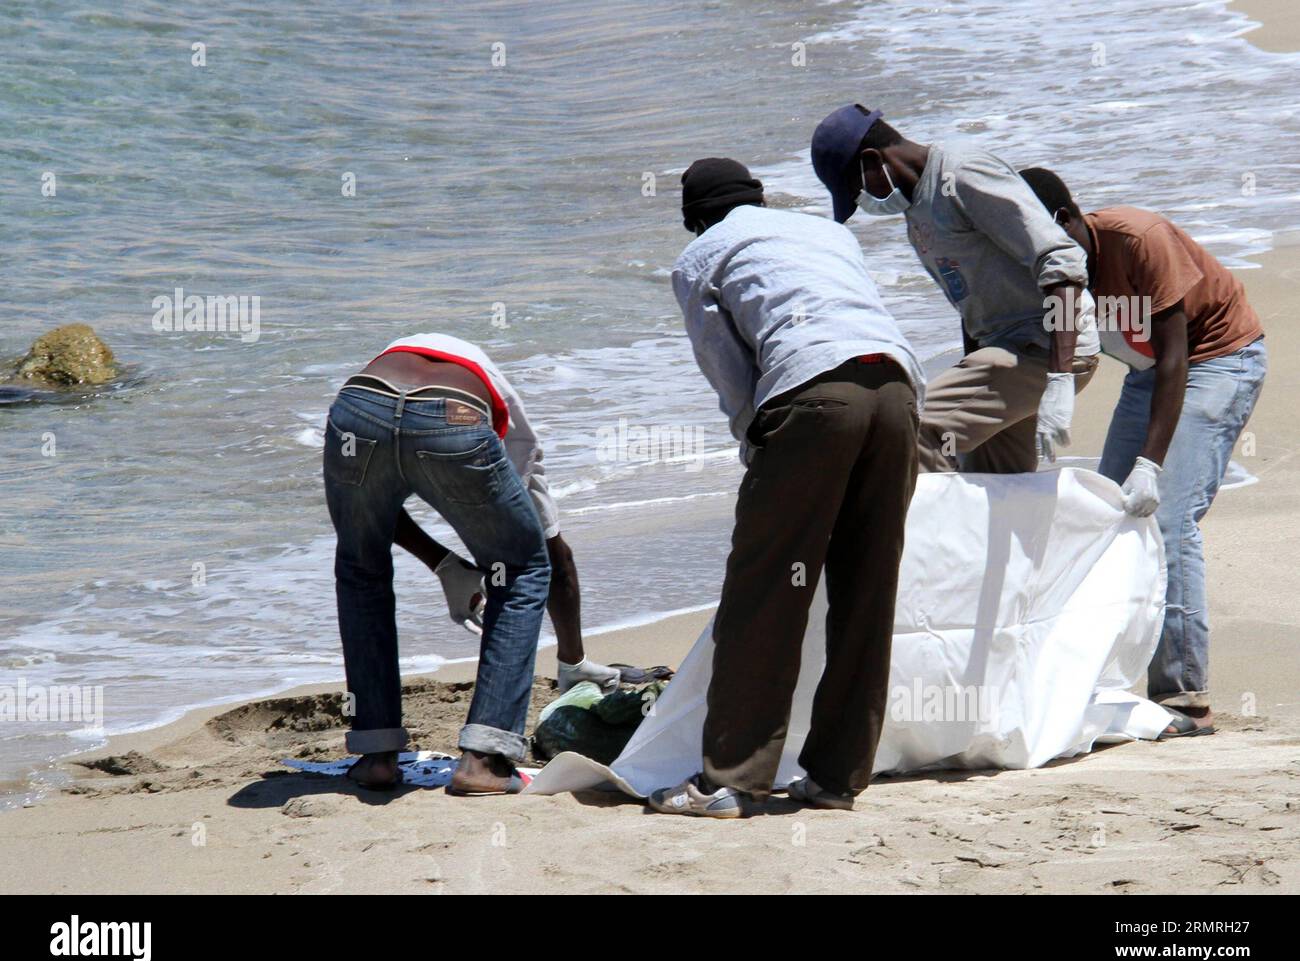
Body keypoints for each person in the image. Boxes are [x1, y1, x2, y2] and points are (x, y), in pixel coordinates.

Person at [649, 158, 925, 819]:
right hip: (898, 393)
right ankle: (836, 775)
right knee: (866, 587)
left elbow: (732, 376)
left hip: (812, 395)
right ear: (759, 198)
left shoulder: (700, 256)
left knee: (767, 589)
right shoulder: (827, 233)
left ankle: (732, 779)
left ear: (695, 218)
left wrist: (759, 443)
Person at [1019, 167, 1268, 738]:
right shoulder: (1048, 266)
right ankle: (1101, 679)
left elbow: (1177, 356)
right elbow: (1060, 346)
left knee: (1166, 520)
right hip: (1145, 371)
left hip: (1215, 359)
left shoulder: (1139, 239)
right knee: (1106, 517)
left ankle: (1186, 698)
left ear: (1063, 222)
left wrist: (1150, 465)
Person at [323, 334, 619, 794]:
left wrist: (445, 565)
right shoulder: (514, 436)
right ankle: (484, 759)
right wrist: (572, 657)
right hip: (453, 414)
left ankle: (377, 755)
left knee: (362, 569)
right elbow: (550, 556)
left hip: (360, 406)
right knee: (520, 571)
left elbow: (373, 512)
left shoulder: (394, 359)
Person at [811, 104, 1098, 472]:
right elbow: (974, 310)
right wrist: (969, 368)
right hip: (1007, 354)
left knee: (905, 433)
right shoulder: (917, 216)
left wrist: (1058, 377)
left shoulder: (962, 176)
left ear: (872, 160)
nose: (863, 204)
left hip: (1044, 350)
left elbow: (1062, 262)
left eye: (856, 191)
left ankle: (907, 531)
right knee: (994, 482)